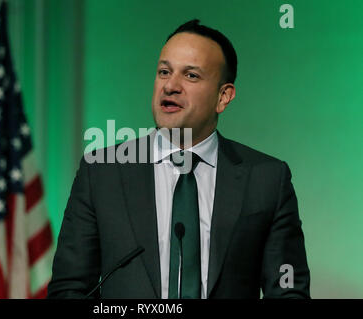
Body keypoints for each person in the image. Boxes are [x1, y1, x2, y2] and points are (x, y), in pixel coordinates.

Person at [47, 19, 310, 299]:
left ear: (223, 96)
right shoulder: (102, 173)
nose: (170, 86)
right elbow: (70, 289)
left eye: (191, 76)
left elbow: (288, 290)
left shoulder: (267, 178)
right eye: (164, 71)